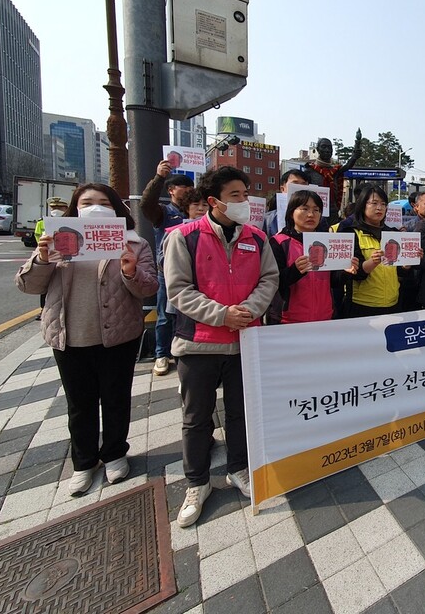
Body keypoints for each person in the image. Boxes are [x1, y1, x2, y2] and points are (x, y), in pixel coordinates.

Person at [16, 183, 158, 496]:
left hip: (118, 335)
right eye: (87, 202)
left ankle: (115, 453)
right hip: (69, 336)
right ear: (75, 208)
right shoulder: (58, 240)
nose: (94, 207)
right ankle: (83, 462)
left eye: (103, 202)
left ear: (116, 209)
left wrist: (131, 271)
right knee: (79, 403)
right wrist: (42, 258)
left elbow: (148, 289)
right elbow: (28, 286)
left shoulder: (134, 243)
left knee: (116, 397)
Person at [164, 166, 279, 527]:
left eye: (245, 194)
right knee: (196, 419)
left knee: (240, 413)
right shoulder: (184, 237)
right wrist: (221, 315)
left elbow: (269, 278)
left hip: (244, 341)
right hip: (198, 345)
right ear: (213, 201)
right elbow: (178, 290)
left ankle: (238, 469)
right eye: (235, 196)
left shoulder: (257, 239)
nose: (244, 201)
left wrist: (248, 311)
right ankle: (197, 483)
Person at [270, 190, 358, 323]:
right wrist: (295, 271)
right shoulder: (278, 242)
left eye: (316, 210)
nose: (311, 214)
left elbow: (334, 282)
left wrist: (346, 272)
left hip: (324, 318)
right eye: (304, 209)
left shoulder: (328, 242)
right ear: (291, 212)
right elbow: (272, 282)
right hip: (287, 321)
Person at [141, 162, 194, 377]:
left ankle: (182, 352)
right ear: (171, 190)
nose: (188, 192)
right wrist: (159, 178)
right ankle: (161, 354)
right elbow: (146, 204)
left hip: (195, 272)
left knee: (188, 315)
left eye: (191, 189)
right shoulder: (163, 213)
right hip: (168, 274)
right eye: (183, 188)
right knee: (164, 315)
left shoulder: (197, 212)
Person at [339, 184, 420, 316]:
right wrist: (372, 262)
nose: (379, 208)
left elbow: (399, 272)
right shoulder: (350, 233)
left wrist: (407, 263)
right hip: (362, 305)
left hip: (393, 303)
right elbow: (352, 273)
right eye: (374, 203)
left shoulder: (393, 233)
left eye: (383, 204)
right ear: (362, 205)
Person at [303, 131, 362, 218]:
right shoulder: (310, 171)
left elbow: (348, 165)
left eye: (329, 148)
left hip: (333, 211)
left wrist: (355, 154)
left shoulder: (335, 171)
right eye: (324, 147)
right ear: (318, 149)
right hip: (315, 212)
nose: (327, 150)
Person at [264, 169, 309, 236]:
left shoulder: (317, 217)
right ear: (282, 189)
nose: (300, 188)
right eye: (295, 184)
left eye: (304, 184)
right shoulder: (268, 219)